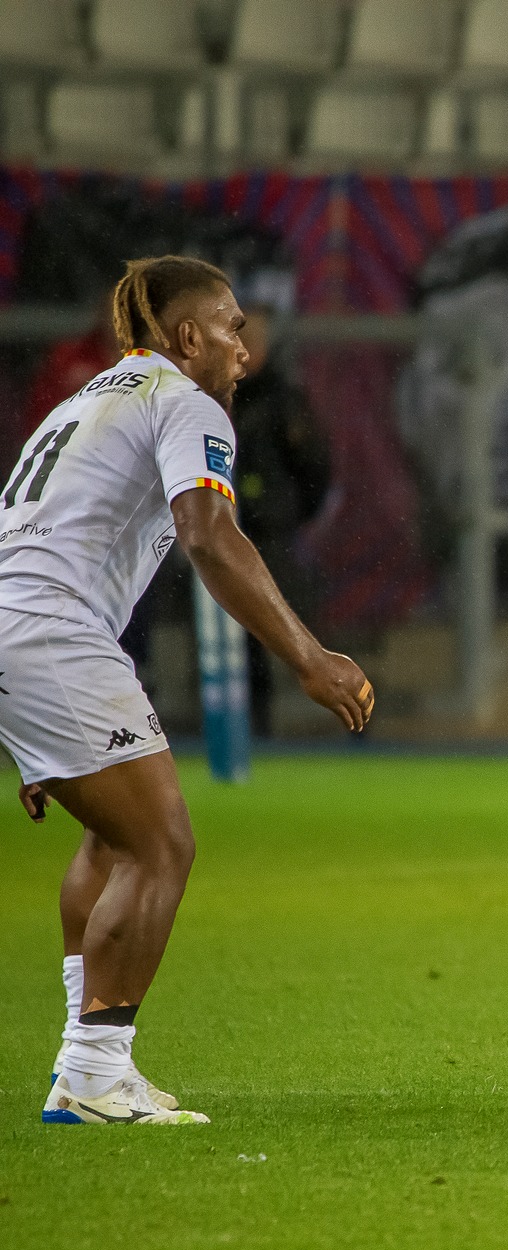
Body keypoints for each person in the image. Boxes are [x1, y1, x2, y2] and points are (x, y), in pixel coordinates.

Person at [2, 255, 373, 1126]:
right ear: (188, 335)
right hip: (52, 629)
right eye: (233, 328)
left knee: (112, 837)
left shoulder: (85, 399)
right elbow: (208, 534)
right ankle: (94, 1071)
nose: (244, 346)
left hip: (24, 625)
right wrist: (310, 657)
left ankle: (84, 1063)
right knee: (161, 844)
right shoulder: (185, 401)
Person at [226, 299, 333, 735]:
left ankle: (321, 718)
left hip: (271, 537)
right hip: (223, 533)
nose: (246, 348)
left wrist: (284, 513)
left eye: (254, 338)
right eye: (239, 337)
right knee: (234, 637)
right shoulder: (208, 398)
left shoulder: (283, 401)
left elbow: (315, 468)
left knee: (288, 624)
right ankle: (246, 723)